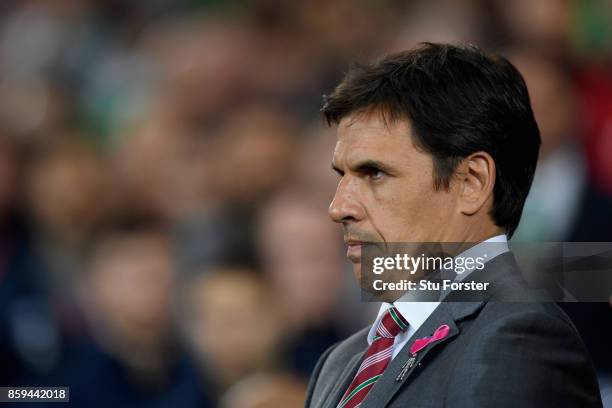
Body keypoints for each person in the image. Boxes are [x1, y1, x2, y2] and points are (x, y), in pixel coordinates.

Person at [305, 43, 602, 407]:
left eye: (375, 173)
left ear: (472, 182)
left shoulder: (519, 340)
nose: (338, 208)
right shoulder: (338, 364)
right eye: (342, 175)